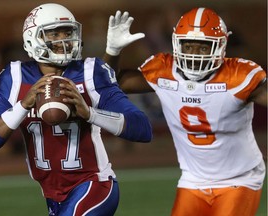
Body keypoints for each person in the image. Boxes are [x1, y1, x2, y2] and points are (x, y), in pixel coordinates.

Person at [0, 3, 152, 216]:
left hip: (95, 185)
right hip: (53, 195)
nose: (63, 40)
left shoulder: (91, 73)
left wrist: (90, 113)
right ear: (33, 38)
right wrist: (23, 105)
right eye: (53, 33)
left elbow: (143, 129)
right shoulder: (15, 77)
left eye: (68, 32)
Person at [104, 8, 267, 216]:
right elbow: (109, 84)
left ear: (222, 46)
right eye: (188, 46)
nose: (193, 55)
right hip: (193, 179)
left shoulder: (238, 77)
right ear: (176, 43)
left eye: (203, 47)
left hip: (240, 178)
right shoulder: (164, 71)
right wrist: (112, 51)